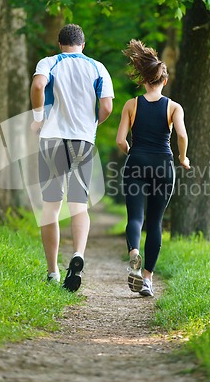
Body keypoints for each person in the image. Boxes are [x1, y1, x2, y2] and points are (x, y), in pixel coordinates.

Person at [30, 24, 114, 292]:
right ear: (83, 44)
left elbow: (38, 85)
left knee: (51, 207)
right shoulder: (98, 68)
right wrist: (93, 125)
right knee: (79, 206)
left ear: (59, 44)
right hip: (82, 141)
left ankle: (53, 271)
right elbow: (107, 106)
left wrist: (37, 119)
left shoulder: (50, 62)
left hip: (52, 140)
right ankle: (78, 254)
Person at [116, 39, 190, 297]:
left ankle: (134, 253)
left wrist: (132, 152)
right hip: (163, 165)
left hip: (137, 161)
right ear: (164, 81)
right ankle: (147, 279)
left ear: (144, 80)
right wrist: (183, 157)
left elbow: (119, 141)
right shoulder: (174, 107)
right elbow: (181, 135)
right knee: (155, 222)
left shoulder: (131, 104)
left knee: (135, 217)